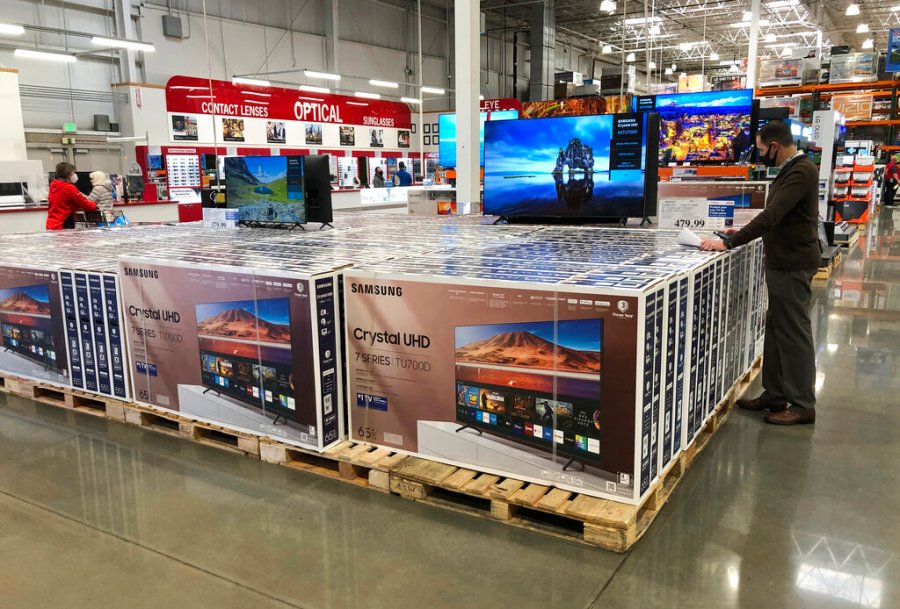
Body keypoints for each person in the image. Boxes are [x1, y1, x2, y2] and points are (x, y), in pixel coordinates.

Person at [700, 120, 819, 426]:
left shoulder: (801, 171)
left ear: (775, 147)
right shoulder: (790, 171)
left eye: (763, 149)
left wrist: (730, 241)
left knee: (793, 333)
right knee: (777, 329)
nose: (760, 154)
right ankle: (775, 394)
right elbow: (777, 218)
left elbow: (772, 215)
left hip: (794, 264)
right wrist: (736, 231)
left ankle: (803, 403)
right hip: (782, 262)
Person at [46, 162, 98, 230]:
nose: (75, 175)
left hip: (51, 224)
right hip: (63, 223)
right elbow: (86, 205)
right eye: (73, 172)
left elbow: (63, 202)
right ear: (68, 174)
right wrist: (94, 204)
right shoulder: (69, 188)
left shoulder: (53, 185)